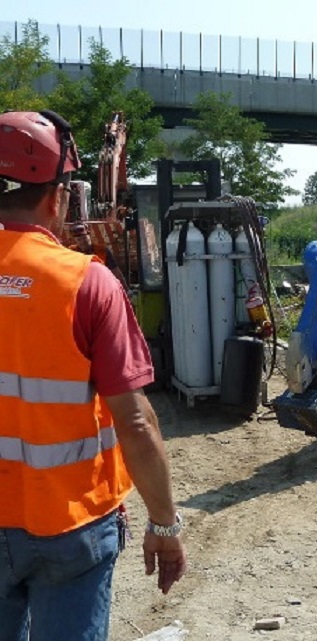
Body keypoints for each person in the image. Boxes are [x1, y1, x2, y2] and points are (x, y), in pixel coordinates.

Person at [0, 110, 187, 640]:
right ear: (58, 197)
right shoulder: (87, 283)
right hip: (71, 526)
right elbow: (136, 422)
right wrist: (164, 522)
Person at [67, 220, 130, 290]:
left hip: (101, 287)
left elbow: (116, 272)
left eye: (84, 238)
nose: (82, 242)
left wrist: (126, 290)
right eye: (79, 240)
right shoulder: (70, 252)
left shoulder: (102, 250)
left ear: (89, 235)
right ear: (75, 240)